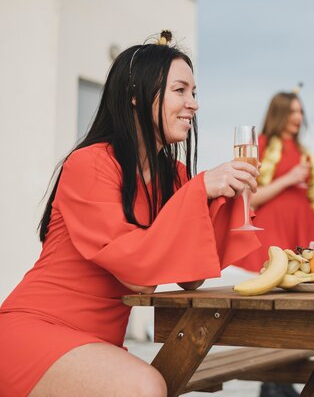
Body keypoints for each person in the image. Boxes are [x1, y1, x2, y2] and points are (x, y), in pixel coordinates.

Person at [0, 31, 261, 397]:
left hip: (95, 344)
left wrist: (223, 197)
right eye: (180, 90)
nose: (193, 104)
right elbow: (137, 272)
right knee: (146, 386)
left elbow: (192, 278)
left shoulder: (175, 176)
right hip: (39, 330)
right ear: (136, 96)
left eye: (194, 93)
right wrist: (200, 191)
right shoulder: (90, 164)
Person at [236, 90, 314, 273]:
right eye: (292, 112)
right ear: (279, 114)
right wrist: (289, 179)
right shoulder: (260, 144)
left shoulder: (302, 150)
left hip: (303, 227)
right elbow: (249, 198)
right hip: (274, 230)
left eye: (300, 112)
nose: (298, 117)